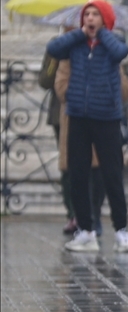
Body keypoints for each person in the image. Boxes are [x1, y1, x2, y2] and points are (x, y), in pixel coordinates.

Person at [46, 0, 128, 253]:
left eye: (96, 15)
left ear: (105, 20)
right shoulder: (75, 43)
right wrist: (80, 34)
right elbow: (53, 48)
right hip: (78, 116)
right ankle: (85, 230)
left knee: (112, 175)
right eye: (87, 15)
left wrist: (103, 34)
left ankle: (122, 231)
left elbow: (121, 53)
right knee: (78, 175)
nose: (90, 19)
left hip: (106, 116)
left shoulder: (112, 42)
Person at [39, 42, 76, 235]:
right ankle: (71, 212)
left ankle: (86, 211)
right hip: (59, 114)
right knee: (66, 164)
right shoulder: (55, 48)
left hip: (84, 111)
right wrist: (56, 60)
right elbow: (45, 80)